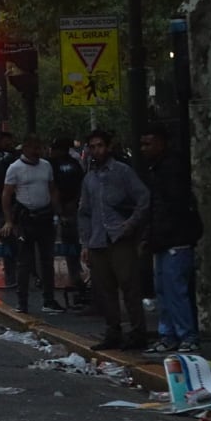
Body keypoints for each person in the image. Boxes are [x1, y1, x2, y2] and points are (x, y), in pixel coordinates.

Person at [77, 128, 151, 351]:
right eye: (92, 146)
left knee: (129, 287)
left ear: (108, 147)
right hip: (99, 240)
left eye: (100, 145)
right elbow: (85, 212)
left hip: (119, 238)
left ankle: (138, 332)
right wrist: (85, 243)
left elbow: (144, 198)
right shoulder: (90, 178)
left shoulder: (122, 172)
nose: (96, 150)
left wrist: (130, 225)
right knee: (105, 290)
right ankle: (113, 331)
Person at [136, 125, 203, 354]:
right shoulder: (158, 169)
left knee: (175, 290)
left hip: (175, 239)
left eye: (148, 143)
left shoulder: (170, 170)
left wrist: (157, 235)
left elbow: (172, 208)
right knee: (164, 290)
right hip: (165, 239)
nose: (144, 149)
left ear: (161, 143)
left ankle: (186, 335)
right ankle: (170, 335)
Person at [0, 135, 63, 316]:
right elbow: (6, 195)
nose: (37, 151)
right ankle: (22, 302)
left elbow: (52, 189)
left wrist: (57, 212)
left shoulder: (46, 166)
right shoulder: (15, 168)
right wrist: (9, 220)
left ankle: (49, 299)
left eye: (39, 147)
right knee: (24, 262)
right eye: (33, 147)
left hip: (44, 216)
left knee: (47, 260)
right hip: (26, 218)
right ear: (25, 148)